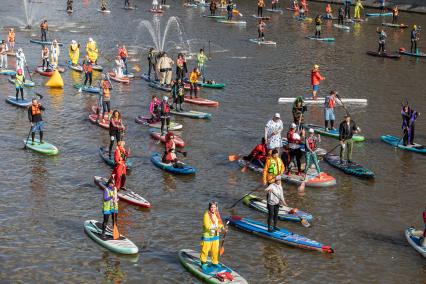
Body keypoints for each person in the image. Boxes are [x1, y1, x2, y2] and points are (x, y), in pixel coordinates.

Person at [200, 202, 226, 272]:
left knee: (215, 250)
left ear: (216, 208)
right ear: (209, 207)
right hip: (207, 236)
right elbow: (207, 226)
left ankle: (214, 262)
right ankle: (203, 262)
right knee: (205, 250)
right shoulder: (206, 215)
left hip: (215, 236)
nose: (213, 209)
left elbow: (220, 223)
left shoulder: (217, 214)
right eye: (212, 207)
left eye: (214, 207)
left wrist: (223, 228)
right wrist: (216, 229)